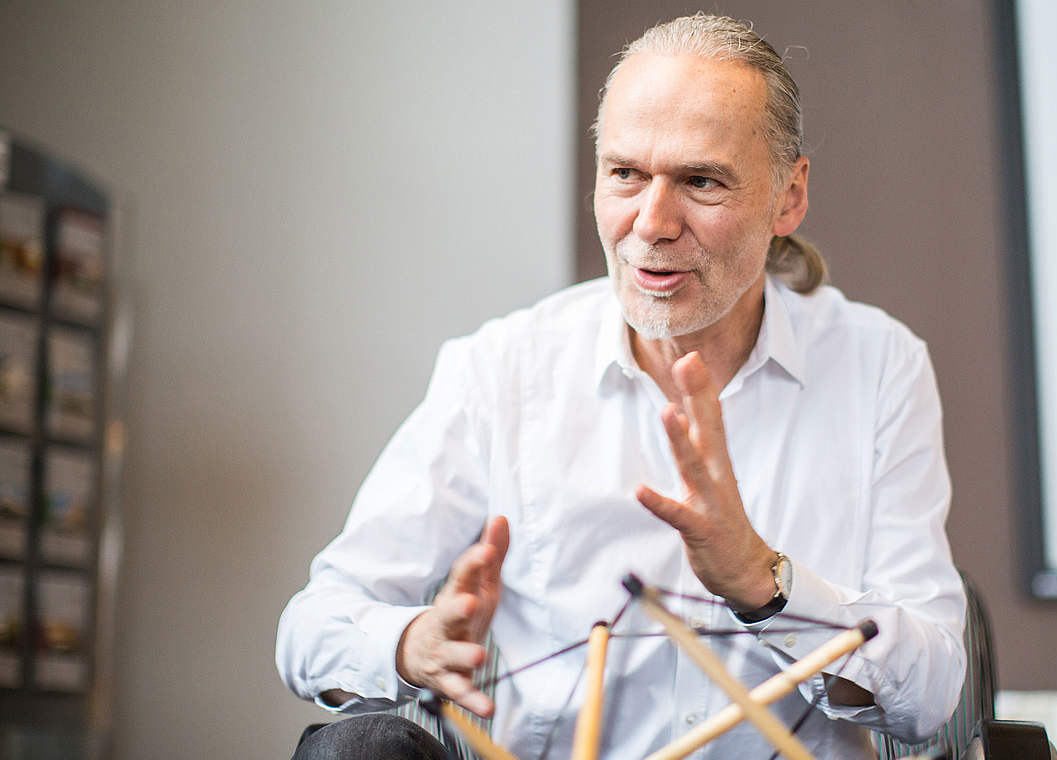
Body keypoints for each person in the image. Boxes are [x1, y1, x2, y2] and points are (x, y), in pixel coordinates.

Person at [277, 12, 965, 759]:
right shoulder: (503, 366)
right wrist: (412, 643)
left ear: (788, 197)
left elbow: (931, 695)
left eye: (701, 181)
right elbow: (312, 626)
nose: (652, 223)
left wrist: (762, 582)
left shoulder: (879, 364)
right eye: (626, 174)